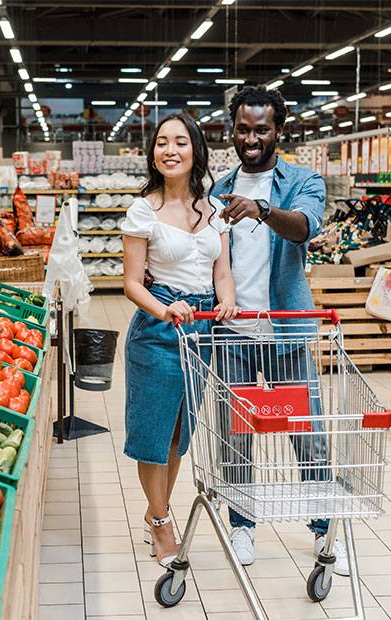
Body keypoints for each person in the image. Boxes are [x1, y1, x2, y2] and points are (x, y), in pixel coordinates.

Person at [208, 85, 347, 573]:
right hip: (233, 335)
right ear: (233, 129)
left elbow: (305, 227)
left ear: (279, 131)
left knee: (307, 436)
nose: (251, 138)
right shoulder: (217, 187)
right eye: (243, 128)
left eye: (261, 129)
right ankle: (242, 525)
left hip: (286, 333)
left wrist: (261, 210)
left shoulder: (303, 181)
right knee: (236, 438)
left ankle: (324, 531)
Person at [123, 113, 242, 567]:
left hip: (203, 326)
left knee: (178, 433)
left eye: (180, 142)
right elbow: (133, 283)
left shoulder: (214, 211)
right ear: (153, 153)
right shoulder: (143, 210)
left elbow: (223, 272)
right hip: (159, 328)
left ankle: (159, 510)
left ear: (196, 150)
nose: (170, 150)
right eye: (161, 143)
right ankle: (160, 521)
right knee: (154, 433)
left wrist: (226, 300)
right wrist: (164, 307)